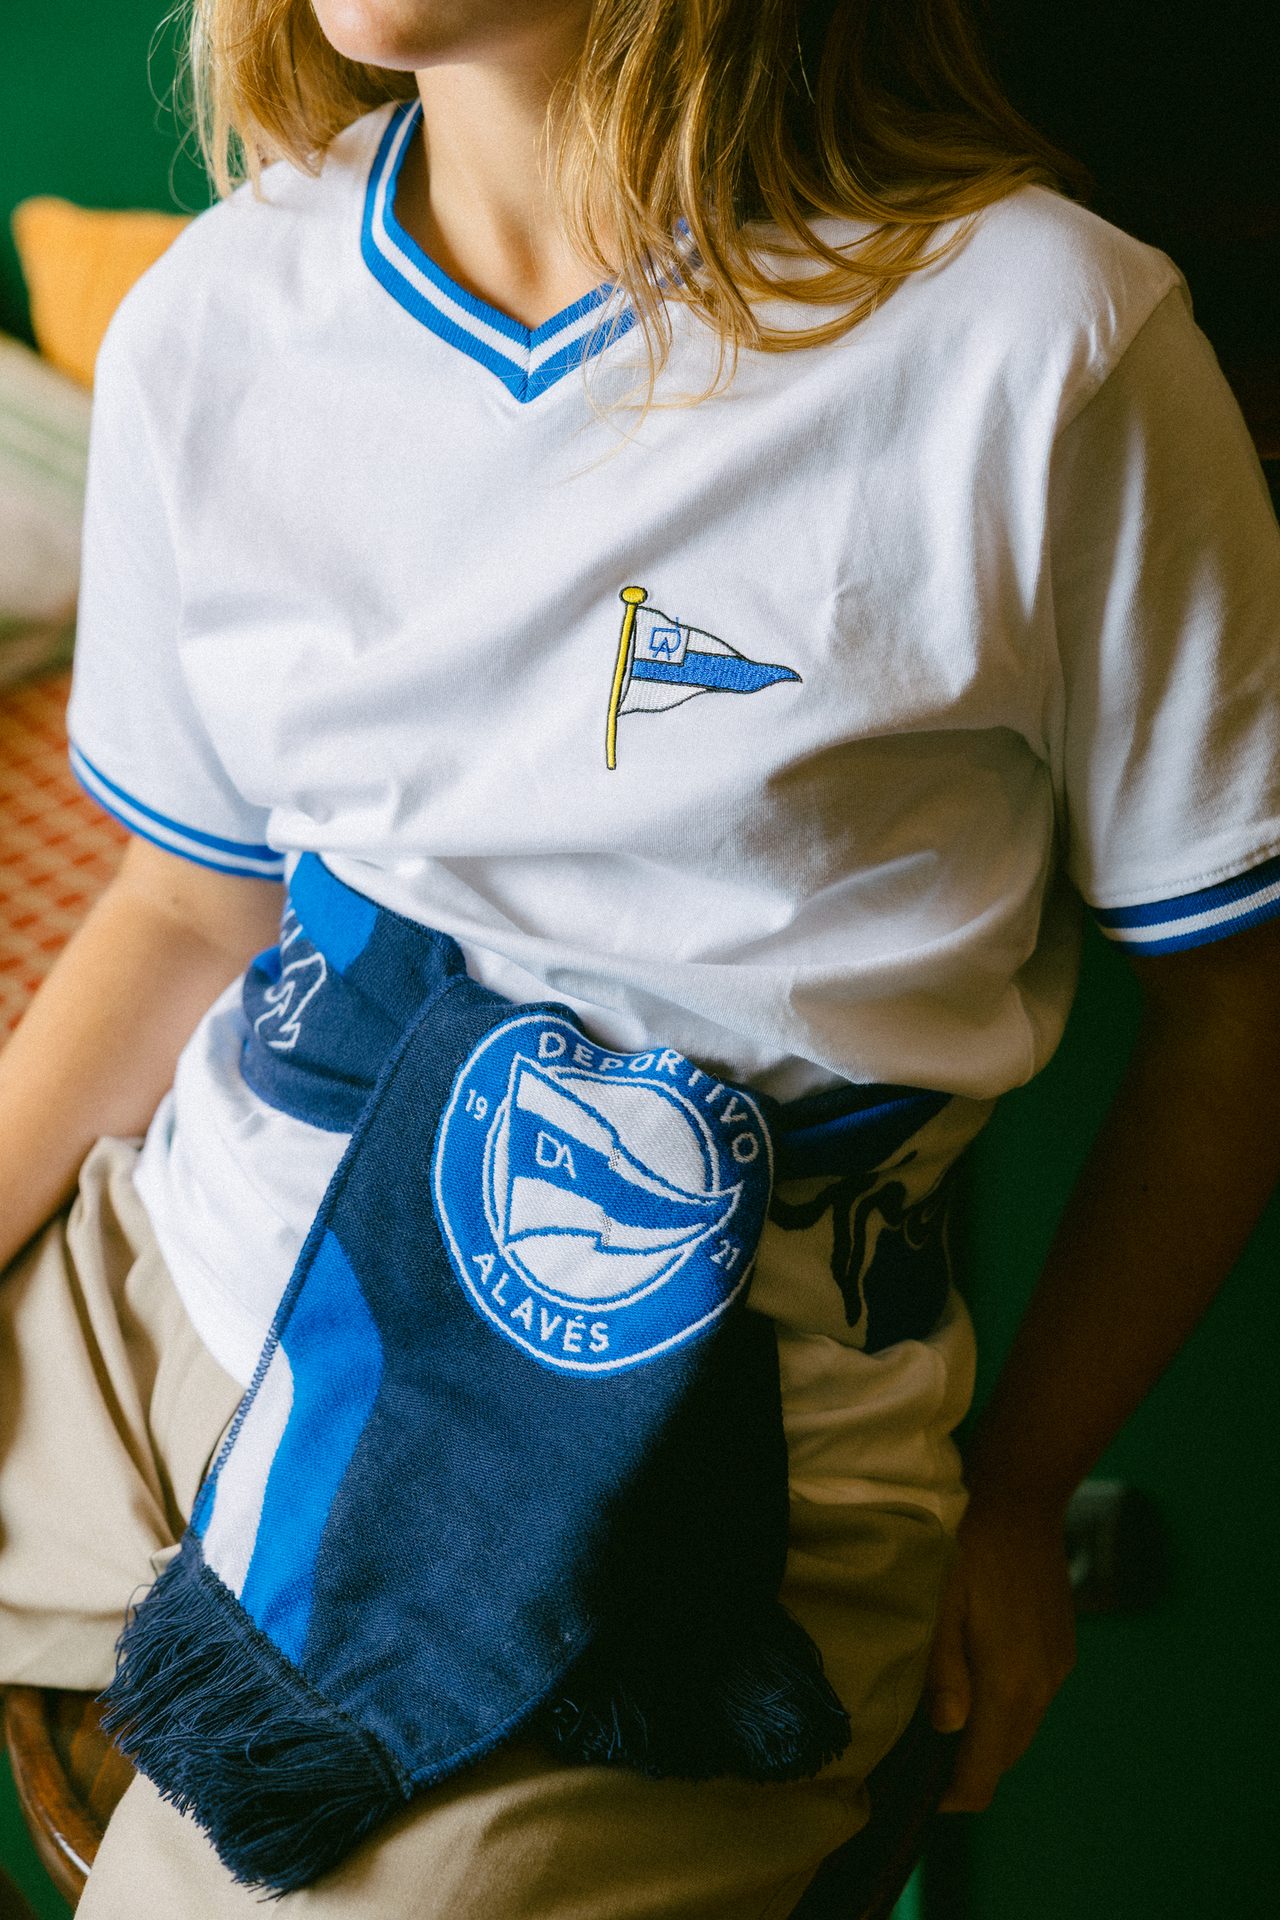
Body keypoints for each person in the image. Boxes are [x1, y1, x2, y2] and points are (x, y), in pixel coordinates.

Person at [2, 0, 1279, 1912]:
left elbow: (1235, 1013)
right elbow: (194, 906)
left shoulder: (1046, 344)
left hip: (660, 1424)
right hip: (177, 1275)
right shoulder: (223, 310)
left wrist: (1013, 1491)